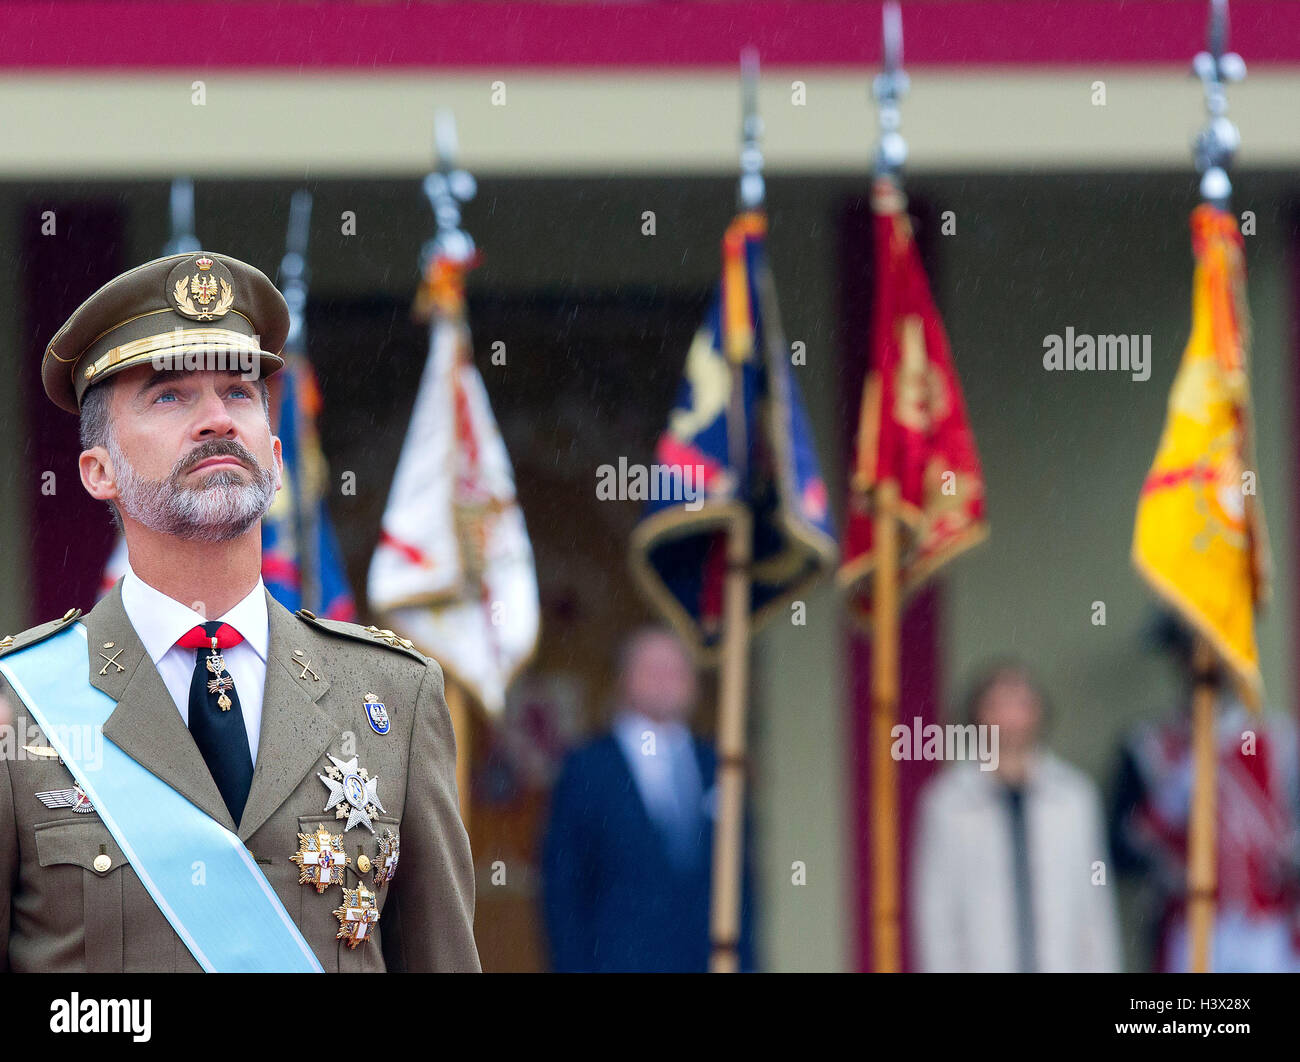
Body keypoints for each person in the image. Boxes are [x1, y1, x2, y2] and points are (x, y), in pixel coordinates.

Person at [0, 251, 480, 972]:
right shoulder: (20, 706)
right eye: (170, 396)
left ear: (277, 456)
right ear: (99, 471)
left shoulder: (393, 697)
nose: (216, 419)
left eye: (239, 391)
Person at [541, 626, 755, 972]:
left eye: (675, 670)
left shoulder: (720, 765)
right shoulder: (588, 767)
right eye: (652, 669)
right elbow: (563, 887)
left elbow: (742, 884)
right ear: (624, 678)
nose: (665, 681)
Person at [913, 659, 1120, 972]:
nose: (1010, 716)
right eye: (998, 703)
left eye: (1021, 702)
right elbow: (936, 910)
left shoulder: (1075, 797)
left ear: (1039, 711)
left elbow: (1093, 905)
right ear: (977, 713)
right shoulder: (947, 802)